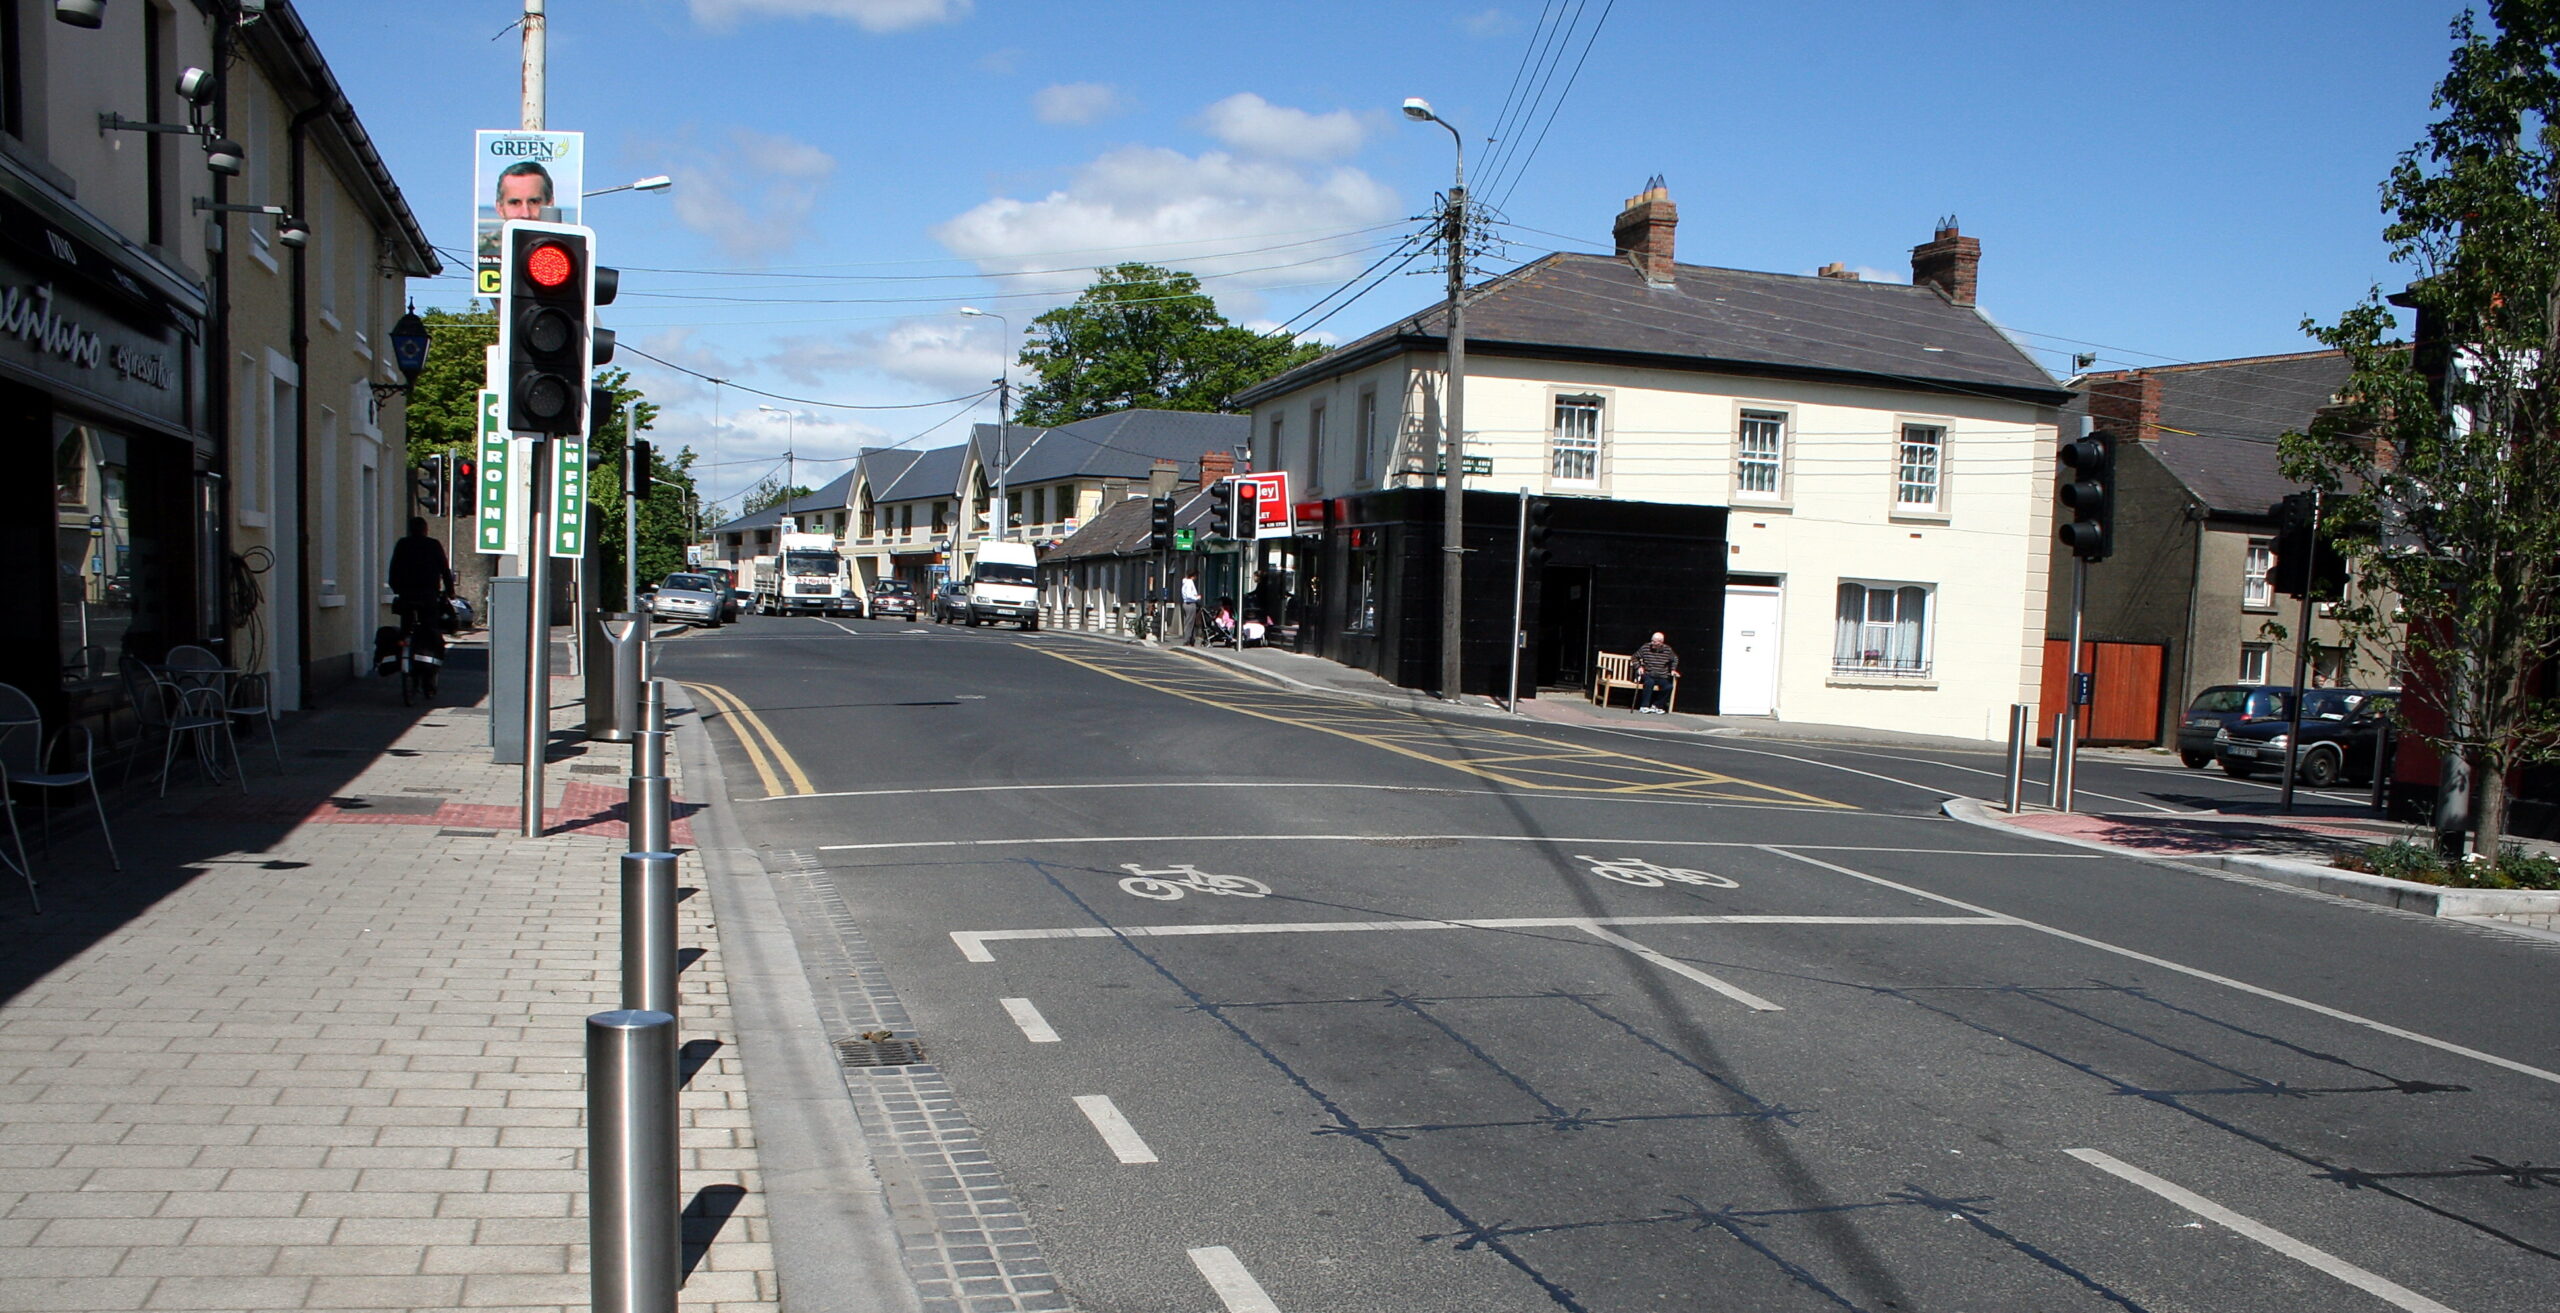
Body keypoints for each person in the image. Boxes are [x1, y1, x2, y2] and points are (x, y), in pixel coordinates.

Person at [387, 516, 454, 640]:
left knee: (406, 624)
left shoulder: (403, 544)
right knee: (430, 625)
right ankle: (428, 648)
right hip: (428, 593)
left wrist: (396, 588)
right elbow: (444, 570)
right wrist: (450, 591)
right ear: (425, 530)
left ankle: (404, 646)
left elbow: (394, 568)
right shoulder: (433, 545)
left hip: (407, 593)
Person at [1633, 631, 1679, 714]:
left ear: (1661, 642)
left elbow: (1675, 659)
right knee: (1649, 682)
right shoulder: (1646, 647)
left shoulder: (1667, 649)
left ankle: (1657, 706)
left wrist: (1673, 669)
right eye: (1652, 640)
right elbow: (1634, 657)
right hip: (1648, 673)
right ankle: (1644, 706)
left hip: (1661, 675)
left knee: (1668, 686)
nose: (1652, 643)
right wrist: (1639, 667)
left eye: (1655, 642)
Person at [1179, 570, 1202, 646]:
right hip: (1190, 604)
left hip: (1186, 604)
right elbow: (1189, 595)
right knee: (1189, 623)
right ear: (1193, 576)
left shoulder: (1185, 582)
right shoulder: (1189, 582)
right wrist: (1197, 597)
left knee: (1191, 622)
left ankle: (1191, 639)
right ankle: (1187, 640)